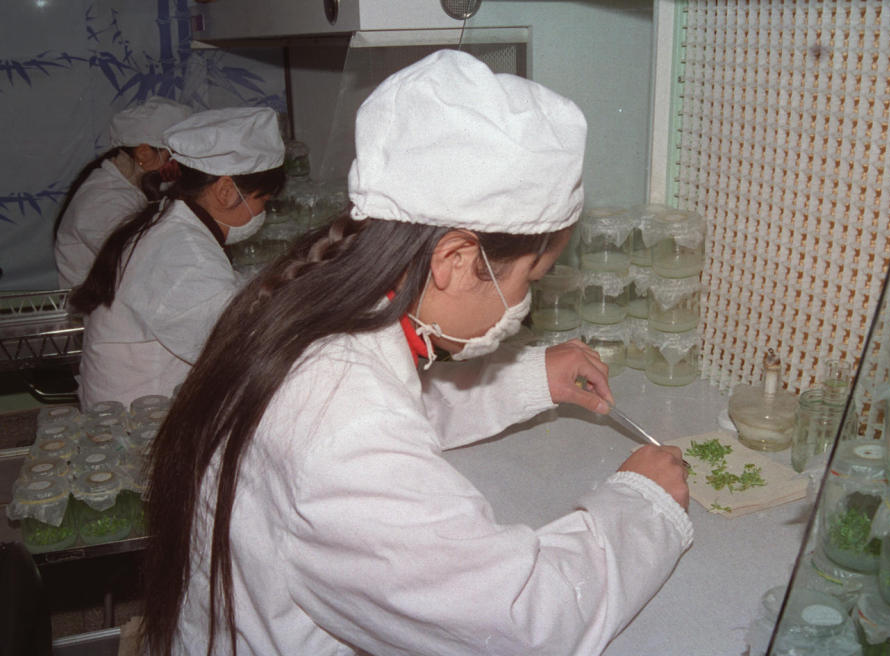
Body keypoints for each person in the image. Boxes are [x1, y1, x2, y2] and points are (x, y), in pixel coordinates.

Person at [143, 50, 692, 656]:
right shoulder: (340, 422)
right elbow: (520, 622)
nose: (523, 303)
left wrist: (534, 378)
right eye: (530, 279)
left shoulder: (320, 305)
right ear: (455, 259)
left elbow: (395, 411)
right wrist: (642, 502)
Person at [70, 107, 286, 410]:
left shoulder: (170, 219)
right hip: (136, 418)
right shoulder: (186, 255)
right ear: (226, 190)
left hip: (133, 399)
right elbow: (241, 346)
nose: (263, 212)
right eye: (262, 199)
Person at [54, 96, 193, 288]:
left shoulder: (136, 184)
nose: (181, 165)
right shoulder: (103, 200)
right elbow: (144, 263)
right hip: (99, 304)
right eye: (176, 156)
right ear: (144, 152)